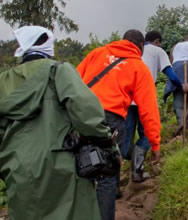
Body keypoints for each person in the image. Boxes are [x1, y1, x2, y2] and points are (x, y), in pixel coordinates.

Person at [0, 26, 113, 220]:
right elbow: (86, 111)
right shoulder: (59, 71)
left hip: (17, 167)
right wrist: (107, 143)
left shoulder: (3, 81)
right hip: (62, 163)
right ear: (47, 44)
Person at [77, 29, 161, 220]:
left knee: (83, 168)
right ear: (140, 47)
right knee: (107, 174)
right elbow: (149, 111)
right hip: (111, 119)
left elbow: (73, 81)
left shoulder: (96, 53)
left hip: (82, 115)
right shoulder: (139, 68)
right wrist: (154, 144)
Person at [124, 30, 188, 182]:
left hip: (125, 98)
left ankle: (115, 181)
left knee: (125, 139)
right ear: (157, 41)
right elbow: (171, 75)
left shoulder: (132, 50)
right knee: (147, 134)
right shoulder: (158, 51)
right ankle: (137, 169)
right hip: (144, 98)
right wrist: (182, 86)